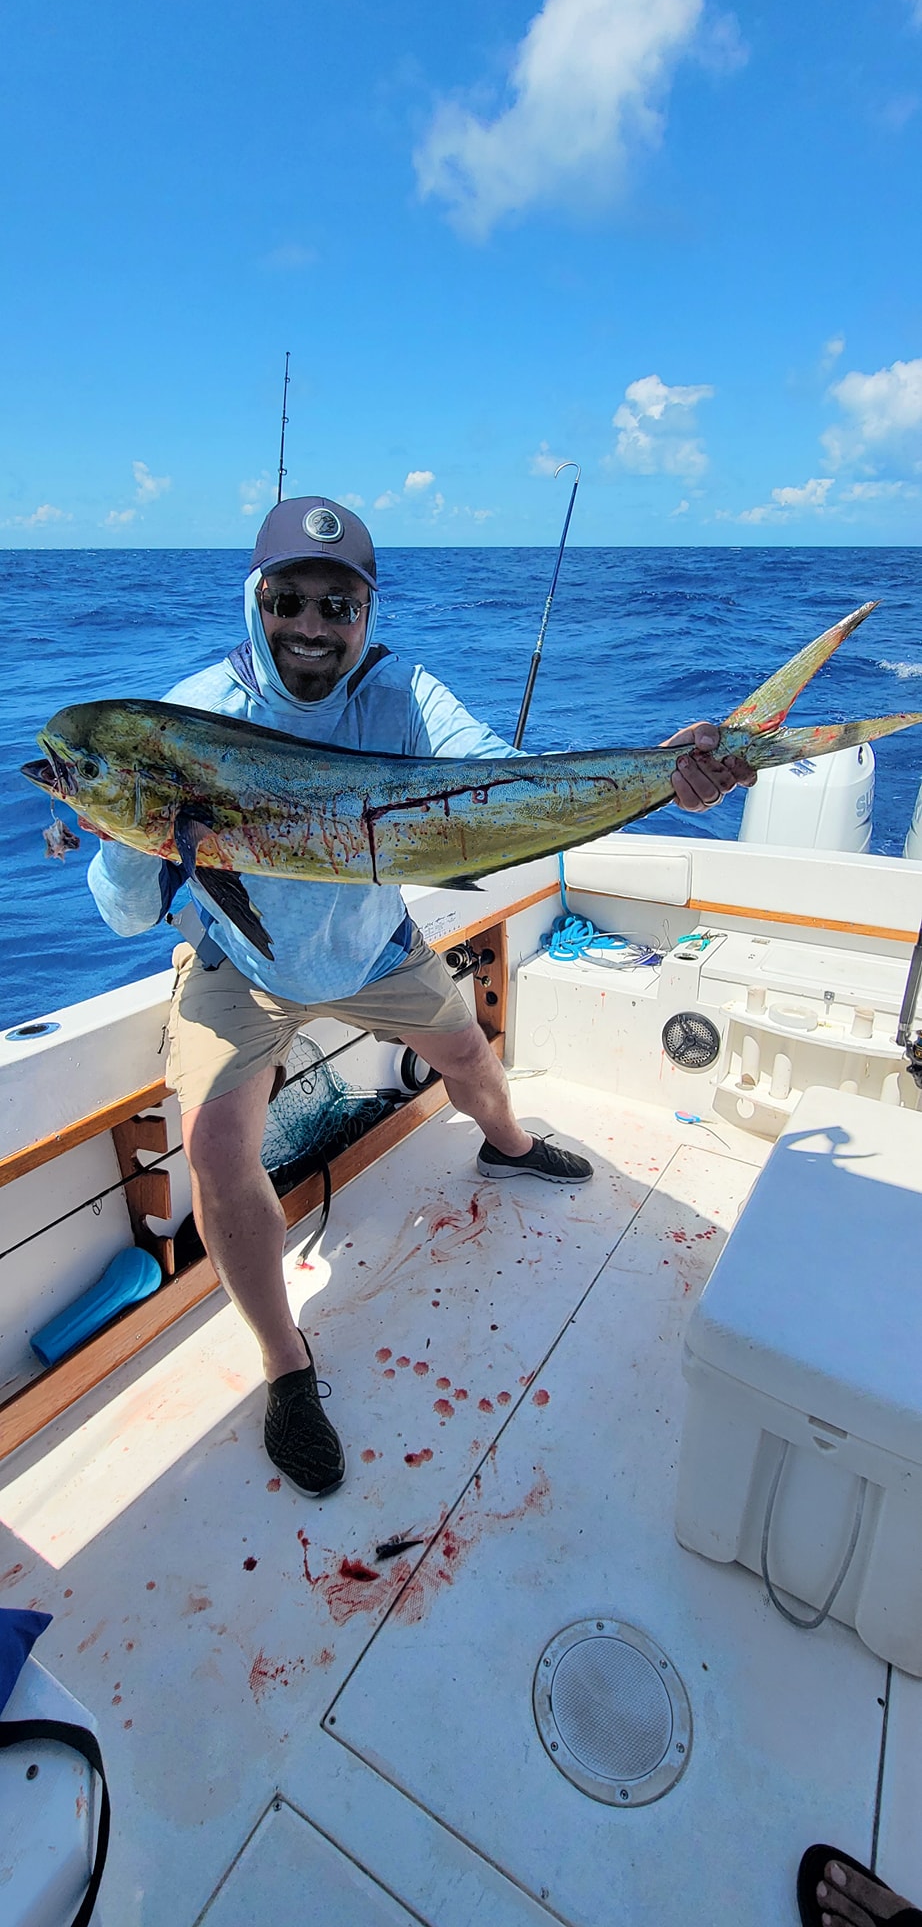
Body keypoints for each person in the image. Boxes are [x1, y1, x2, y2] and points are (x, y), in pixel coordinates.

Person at [87, 496, 754, 1497]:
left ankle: (509, 1143)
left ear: (364, 611)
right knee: (218, 1146)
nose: (311, 623)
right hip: (245, 963)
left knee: (473, 1059)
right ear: (255, 598)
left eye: (335, 603)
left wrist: (664, 775)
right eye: (287, 599)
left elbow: (497, 779)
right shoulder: (186, 721)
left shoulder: (404, 691)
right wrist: (136, 836)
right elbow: (126, 918)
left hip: (373, 946)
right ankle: (284, 1367)